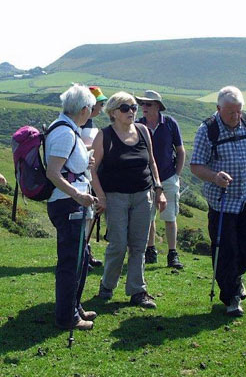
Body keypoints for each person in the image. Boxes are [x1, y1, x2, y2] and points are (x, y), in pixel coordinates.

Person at [190, 86, 246, 317]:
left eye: (239, 111)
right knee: (225, 249)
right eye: (230, 113)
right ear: (218, 109)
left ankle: (233, 278)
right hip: (222, 200)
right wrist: (215, 177)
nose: (236, 117)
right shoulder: (207, 130)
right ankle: (231, 297)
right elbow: (196, 165)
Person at [91, 91, 167, 309]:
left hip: (144, 195)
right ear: (113, 112)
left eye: (134, 107)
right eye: (126, 108)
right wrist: (101, 197)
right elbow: (93, 170)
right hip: (115, 197)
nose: (132, 111)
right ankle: (107, 285)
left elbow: (151, 162)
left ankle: (137, 291)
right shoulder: (104, 136)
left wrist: (158, 189)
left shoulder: (143, 131)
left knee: (138, 245)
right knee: (118, 244)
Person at [45, 83, 98, 331]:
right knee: (71, 260)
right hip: (67, 205)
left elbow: (67, 165)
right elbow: (53, 172)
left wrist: (85, 157)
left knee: (81, 256)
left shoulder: (68, 129)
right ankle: (67, 317)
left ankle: (74, 307)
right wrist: (78, 194)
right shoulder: (65, 133)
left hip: (70, 203)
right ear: (85, 109)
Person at [136, 90, 186, 269]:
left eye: (148, 104)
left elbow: (180, 150)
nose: (144, 107)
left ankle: (173, 253)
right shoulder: (138, 125)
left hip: (168, 177)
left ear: (157, 106)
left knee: (170, 216)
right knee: (148, 217)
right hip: (147, 178)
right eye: (142, 104)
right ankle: (151, 250)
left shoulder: (170, 123)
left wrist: (176, 175)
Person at [80, 86, 108, 270]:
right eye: (100, 103)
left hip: (88, 175)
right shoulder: (83, 122)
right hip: (82, 176)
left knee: (89, 216)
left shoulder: (88, 123)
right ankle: (82, 254)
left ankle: (86, 253)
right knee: (84, 216)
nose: (102, 107)